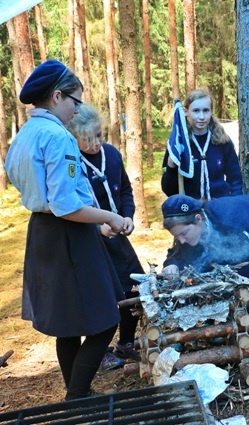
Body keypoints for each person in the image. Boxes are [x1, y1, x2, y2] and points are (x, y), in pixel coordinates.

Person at [5, 60, 126, 400]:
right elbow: (66, 206)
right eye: (76, 100)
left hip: (42, 233)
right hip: (68, 235)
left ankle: (79, 392)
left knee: (69, 322)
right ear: (57, 97)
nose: (78, 109)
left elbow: (28, 188)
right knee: (106, 320)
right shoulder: (57, 137)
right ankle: (77, 396)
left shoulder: (24, 135)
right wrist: (110, 218)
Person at [67, 104, 144, 367]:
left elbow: (124, 190)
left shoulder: (111, 155)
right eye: (88, 139)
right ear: (74, 137)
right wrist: (98, 227)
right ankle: (98, 351)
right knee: (102, 296)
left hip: (118, 235)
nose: (96, 143)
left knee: (134, 286)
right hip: (90, 239)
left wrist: (128, 217)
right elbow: (70, 207)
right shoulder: (72, 163)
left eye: (99, 135)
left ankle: (127, 343)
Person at [160, 194, 249, 337]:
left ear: (198, 219)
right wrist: (172, 264)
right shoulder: (189, 229)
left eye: (183, 234)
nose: (181, 241)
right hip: (243, 233)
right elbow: (179, 251)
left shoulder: (233, 218)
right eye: (176, 237)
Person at [161, 89, 243, 200]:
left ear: (211, 111)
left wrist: (233, 202)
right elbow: (169, 191)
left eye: (205, 110)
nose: (201, 117)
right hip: (191, 208)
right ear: (186, 111)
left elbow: (235, 179)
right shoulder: (179, 143)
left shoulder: (223, 141)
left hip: (220, 206)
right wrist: (171, 165)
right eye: (196, 111)